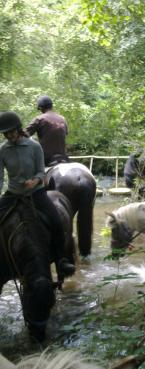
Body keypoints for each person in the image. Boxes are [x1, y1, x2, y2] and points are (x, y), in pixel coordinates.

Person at [0, 111, 75, 278]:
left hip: (35, 192)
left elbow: (41, 172)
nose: (9, 136)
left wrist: (35, 181)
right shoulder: (2, 150)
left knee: (56, 220)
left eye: (11, 132)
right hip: (13, 193)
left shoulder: (34, 147)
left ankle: (61, 259)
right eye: (5, 133)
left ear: (18, 129)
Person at [25, 95, 69, 167]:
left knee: (30, 170)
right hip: (63, 157)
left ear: (41, 108)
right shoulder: (62, 119)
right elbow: (65, 134)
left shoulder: (39, 119)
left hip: (46, 159)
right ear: (51, 106)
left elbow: (25, 135)